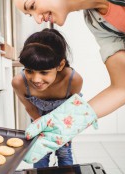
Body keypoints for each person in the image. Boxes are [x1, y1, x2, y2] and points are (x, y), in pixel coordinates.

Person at [7, 0, 125, 173]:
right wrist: (68, 122)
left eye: (32, 6)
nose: (37, 19)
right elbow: (123, 88)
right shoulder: (97, 21)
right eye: (29, 15)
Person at [12, 28, 83, 168]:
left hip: (63, 121)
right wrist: (42, 128)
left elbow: (72, 108)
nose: (36, 79)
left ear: (60, 65)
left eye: (44, 72)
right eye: (29, 70)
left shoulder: (73, 80)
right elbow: (30, 107)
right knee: (39, 154)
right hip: (38, 118)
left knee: (64, 152)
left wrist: (64, 131)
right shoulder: (19, 82)